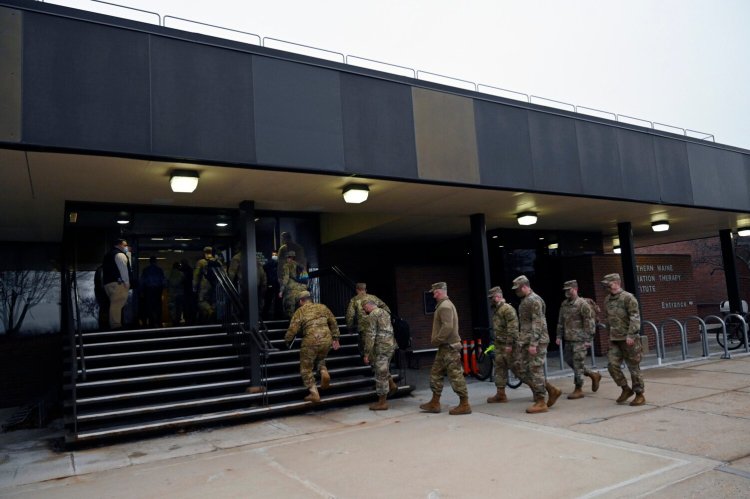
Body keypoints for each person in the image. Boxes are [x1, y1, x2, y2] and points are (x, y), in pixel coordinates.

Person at [419, 282, 471, 415]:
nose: (433, 294)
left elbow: (447, 327)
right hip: (444, 347)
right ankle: (435, 403)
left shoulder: (445, 306)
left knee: (455, 375)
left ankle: (464, 404)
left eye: (435, 292)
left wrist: (437, 340)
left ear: (440, 291)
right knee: (436, 373)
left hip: (449, 347)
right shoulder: (443, 305)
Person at [512, 275, 562, 414]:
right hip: (527, 340)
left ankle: (541, 401)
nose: (516, 292)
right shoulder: (525, 300)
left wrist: (534, 343)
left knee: (535, 369)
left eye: (518, 289)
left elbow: (538, 322)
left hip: (537, 341)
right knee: (521, 367)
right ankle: (551, 390)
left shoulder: (534, 300)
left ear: (524, 287)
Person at [284, 291, 341, 403]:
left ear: (301, 301)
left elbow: (293, 329)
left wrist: (287, 340)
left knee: (306, 368)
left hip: (311, 340)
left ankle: (314, 393)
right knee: (320, 358)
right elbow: (333, 322)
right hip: (326, 339)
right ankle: (324, 371)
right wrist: (336, 338)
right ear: (310, 299)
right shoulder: (323, 307)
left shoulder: (300, 311)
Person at [602, 273, 645, 406]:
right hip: (615, 339)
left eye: (608, 284)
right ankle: (625, 389)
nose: (606, 287)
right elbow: (607, 320)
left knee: (633, 367)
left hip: (628, 339)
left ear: (616, 283)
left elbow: (635, 317)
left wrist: (631, 335)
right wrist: (609, 337)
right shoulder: (607, 300)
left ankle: (639, 394)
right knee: (612, 365)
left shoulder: (628, 298)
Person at [555, 280, 602, 399]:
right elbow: (561, 321)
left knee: (578, 363)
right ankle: (593, 374)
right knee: (569, 359)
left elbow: (589, 323)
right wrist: (559, 336)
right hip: (569, 339)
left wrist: (588, 339)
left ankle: (578, 388)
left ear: (575, 289)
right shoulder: (564, 304)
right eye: (565, 290)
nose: (566, 292)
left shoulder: (582, 304)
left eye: (568, 289)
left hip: (580, 340)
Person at [485, 286, 521, 404]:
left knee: (519, 369)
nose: (491, 300)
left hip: (508, 345)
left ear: (498, 296)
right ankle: (501, 394)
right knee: (499, 369)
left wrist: (509, 344)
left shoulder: (507, 309)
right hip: (499, 345)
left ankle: (539, 390)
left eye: (492, 298)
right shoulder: (497, 310)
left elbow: (513, 328)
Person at [361, 299, 399, 410]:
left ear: (369, 306)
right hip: (390, 345)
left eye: (364, 308)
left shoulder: (373, 314)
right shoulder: (385, 312)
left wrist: (367, 353)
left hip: (381, 347)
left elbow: (371, 335)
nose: (364, 310)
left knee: (380, 373)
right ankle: (392, 384)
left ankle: (382, 403)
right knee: (384, 368)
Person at [345, 283, 391, 357]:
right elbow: (385, 307)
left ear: (357, 290)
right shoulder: (374, 298)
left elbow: (350, 315)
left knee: (365, 345)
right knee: (376, 343)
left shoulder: (354, 300)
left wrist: (350, 327)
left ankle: (367, 360)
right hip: (377, 326)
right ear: (365, 289)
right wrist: (386, 320)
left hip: (363, 328)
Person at [101, 238, 132, 330]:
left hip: (108, 283)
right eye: (125, 245)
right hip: (118, 283)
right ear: (118, 245)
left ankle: (114, 323)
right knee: (117, 304)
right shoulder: (120, 255)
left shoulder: (108, 255)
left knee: (115, 303)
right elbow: (123, 270)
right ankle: (115, 325)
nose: (126, 247)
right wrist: (127, 283)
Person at [193, 246, 221, 323]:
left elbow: (196, 275)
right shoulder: (218, 261)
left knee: (201, 301)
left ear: (204, 252)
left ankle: (210, 312)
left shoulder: (201, 262)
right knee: (213, 300)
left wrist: (194, 287)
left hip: (205, 284)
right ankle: (211, 317)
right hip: (216, 284)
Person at [278, 250, 308, 318]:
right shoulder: (301, 266)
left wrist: (281, 291)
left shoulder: (287, 265)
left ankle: (292, 326)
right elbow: (306, 278)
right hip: (302, 289)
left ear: (291, 257)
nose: (286, 259)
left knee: (289, 311)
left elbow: (286, 278)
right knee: (301, 310)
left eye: (287, 257)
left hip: (291, 290)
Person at [140, 256, 165, 328]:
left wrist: (141, 291)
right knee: (158, 307)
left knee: (149, 307)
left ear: (150, 261)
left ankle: (151, 323)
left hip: (148, 291)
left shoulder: (146, 270)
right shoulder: (159, 270)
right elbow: (163, 281)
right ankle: (159, 322)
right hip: (157, 290)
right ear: (155, 261)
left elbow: (142, 281)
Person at [167, 261, 185, 326]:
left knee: (172, 308)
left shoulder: (169, 274)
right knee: (179, 308)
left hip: (172, 294)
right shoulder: (182, 274)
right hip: (180, 294)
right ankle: (178, 320)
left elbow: (167, 283)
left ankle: (174, 320)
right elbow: (184, 283)